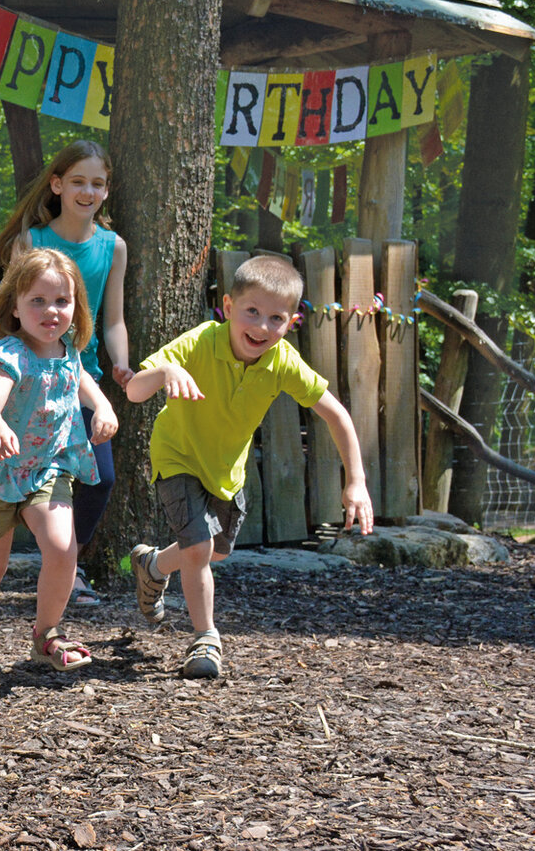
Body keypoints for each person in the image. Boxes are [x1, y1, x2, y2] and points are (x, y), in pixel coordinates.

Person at [124, 254, 373, 679]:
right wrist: (165, 371)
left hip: (226, 470)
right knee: (199, 549)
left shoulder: (283, 362)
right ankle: (205, 639)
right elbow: (132, 391)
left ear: (291, 322)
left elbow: (336, 415)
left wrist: (357, 482)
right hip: (177, 455)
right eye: (252, 312)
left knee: (215, 553)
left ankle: (152, 566)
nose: (261, 327)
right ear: (228, 306)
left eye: (276, 318)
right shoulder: (202, 340)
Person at [0, 141, 129, 607]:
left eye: (97, 183)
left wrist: (119, 362)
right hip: (26, 377)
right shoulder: (33, 241)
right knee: (0, 468)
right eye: (78, 180)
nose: (87, 190)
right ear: (57, 184)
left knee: (101, 476)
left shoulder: (112, 247)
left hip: (78, 371)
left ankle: (67, 563)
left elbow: (112, 318)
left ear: (106, 191)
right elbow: (19, 301)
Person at [0, 249, 117, 677]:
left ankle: (46, 633)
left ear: (76, 308)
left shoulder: (69, 349)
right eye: (37, 301)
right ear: (15, 306)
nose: (51, 311)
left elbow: (79, 378)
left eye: (61, 302)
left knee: (62, 548)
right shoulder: (11, 353)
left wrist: (102, 406)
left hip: (46, 469)